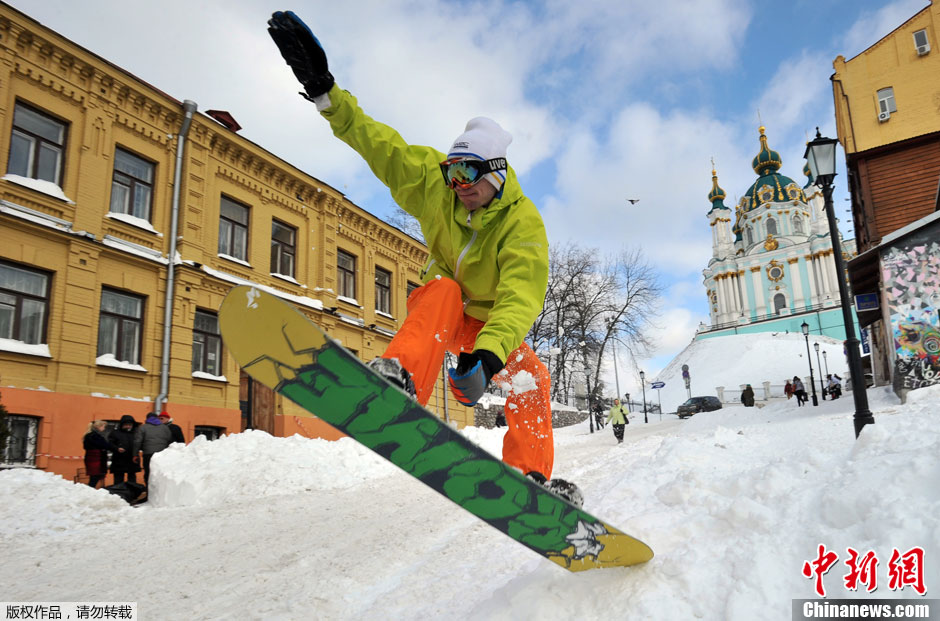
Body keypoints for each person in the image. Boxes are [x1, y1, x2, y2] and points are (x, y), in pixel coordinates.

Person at [265, 12, 582, 507]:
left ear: (497, 172)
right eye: (452, 173)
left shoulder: (523, 226)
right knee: (447, 288)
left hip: (489, 326)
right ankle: (401, 378)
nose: (459, 186)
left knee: (532, 378)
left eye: (469, 174)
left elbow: (521, 298)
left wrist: (489, 355)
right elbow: (381, 145)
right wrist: (326, 93)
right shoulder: (438, 187)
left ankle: (530, 477)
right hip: (442, 310)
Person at [134, 412, 173, 486]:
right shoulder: (165, 428)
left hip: (148, 454)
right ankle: (160, 494)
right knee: (160, 474)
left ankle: (149, 494)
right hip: (162, 455)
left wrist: (135, 454)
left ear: (147, 418)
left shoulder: (143, 427)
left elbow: (137, 442)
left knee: (148, 474)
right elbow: (169, 440)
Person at [82, 420, 123, 489]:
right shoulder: (94, 436)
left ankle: (89, 491)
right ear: (98, 427)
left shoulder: (90, 435)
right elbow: (104, 445)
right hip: (96, 458)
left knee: (94, 476)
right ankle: (89, 491)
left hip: (93, 458)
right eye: (103, 427)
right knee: (95, 477)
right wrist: (116, 448)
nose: (104, 428)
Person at [108, 415, 140, 485]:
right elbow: (109, 444)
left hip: (132, 460)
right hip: (119, 460)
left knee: (132, 479)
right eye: (126, 425)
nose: (128, 426)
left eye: (130, 425)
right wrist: (117, 448)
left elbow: (139, 444)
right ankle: (118, 493)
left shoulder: (136, 433)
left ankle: (132, 493)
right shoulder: (115, 433)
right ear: (122, 425)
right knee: (118, 479)